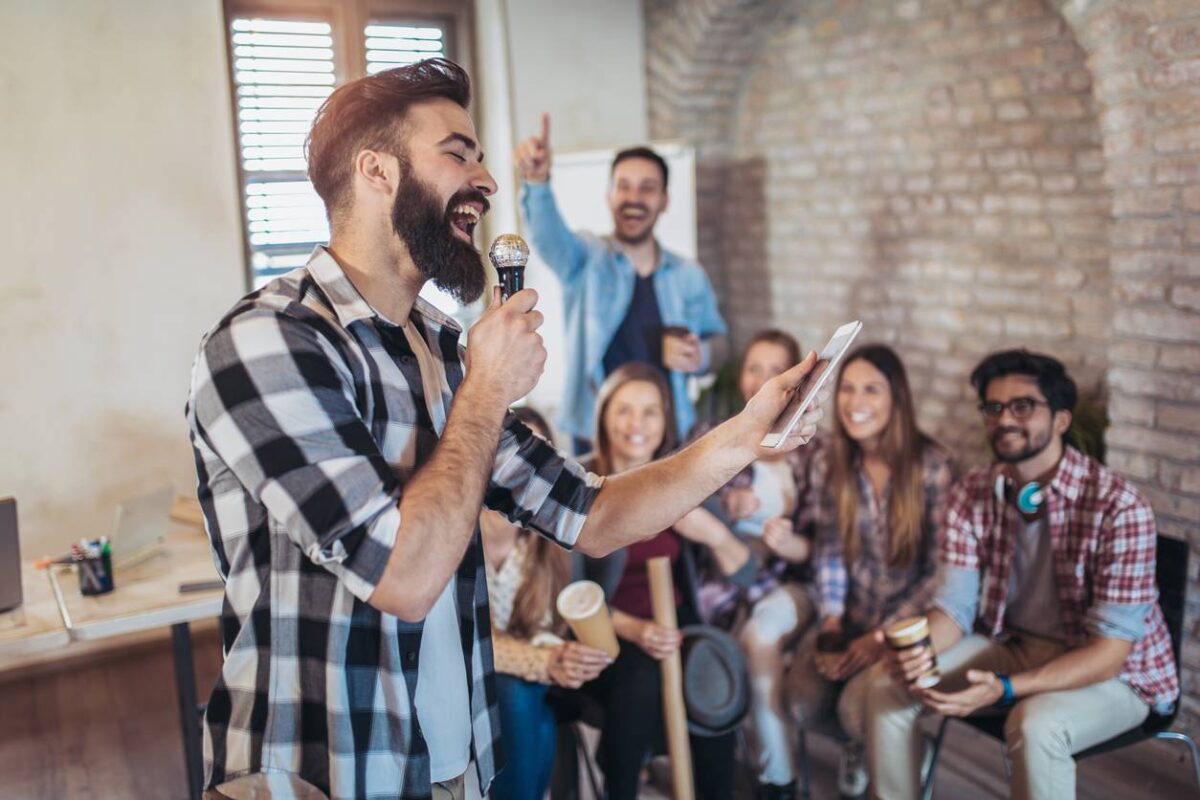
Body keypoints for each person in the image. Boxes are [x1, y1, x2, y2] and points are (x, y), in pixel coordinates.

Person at [186, 58, 823, 800]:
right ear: (376, 170)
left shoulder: (441, 350)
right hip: (323, 771)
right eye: (458, 154)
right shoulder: (268, 343)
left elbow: (595, 515)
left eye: (481, 159)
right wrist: (488, 387)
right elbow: (403, 577)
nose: (486, 182)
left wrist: (744, 436)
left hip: (454, 763)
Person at [867, 349, 1180, 800]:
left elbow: (1109, 654)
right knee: (887, 684)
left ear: (1061, 420)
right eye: (993, 407)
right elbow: (954, 609)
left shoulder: (1119, 507)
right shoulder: (972, 493)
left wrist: (1005, 689)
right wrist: (919, 654)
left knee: (1035, 725)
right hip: (1015, 645)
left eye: (1023, 406)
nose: (1005, 419)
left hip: (1118, 674)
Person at [569, 363, 755, 800]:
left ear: (665, 421)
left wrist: (712, 533)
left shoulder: (680, 481)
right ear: (603, 416)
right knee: (641, 682)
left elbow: (747, 572)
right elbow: (566, 593)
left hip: (674, 623)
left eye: (650, 412)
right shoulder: (576, 483)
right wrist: (634, 628)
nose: (637, 424)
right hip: (605, 632)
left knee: (709, 679)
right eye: (624, 410)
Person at [788, 345, 956, 799]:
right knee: (801, 702)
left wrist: (880, 638)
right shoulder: (831, 462)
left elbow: (940, 574)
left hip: (907, 626)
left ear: (896, 399)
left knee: (855, 709)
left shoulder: (934, 468)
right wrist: (831, 623)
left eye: (871, 390)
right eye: (847, 389)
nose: (855, 402)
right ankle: (864, 748)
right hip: (852, 614)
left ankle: (899, 748)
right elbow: (829, 551)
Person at [514, 114, 729, 451]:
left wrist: (700, 355)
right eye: (624, 186)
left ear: (664, 200)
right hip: (596, 436)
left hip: (668, 436)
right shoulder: (586, 260)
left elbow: (720, 342)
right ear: (609, 195)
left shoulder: (688, 274)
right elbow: (547, 237)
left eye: (647, 188)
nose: (634, 197)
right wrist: (537, 182)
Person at [687, 330, 825, 800]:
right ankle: (715, 763)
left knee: (759, 635)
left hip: (789, 583)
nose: (762, 381)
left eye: (775, 370)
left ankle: (777, 779)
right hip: (724, 579)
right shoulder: (714, 433)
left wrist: (788, 544)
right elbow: (678, 500)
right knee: (711, 645)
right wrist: (726, 505)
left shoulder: (812, 450)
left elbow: (822, 551)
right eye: (754, 368)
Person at [481, 407, 611, 800]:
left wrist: (564, 658)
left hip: (534, 677)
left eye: (535, 457)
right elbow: (463, 637)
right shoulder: (457, 535)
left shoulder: (553, 542)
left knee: (524, 702)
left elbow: (551, 628)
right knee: (517, 699)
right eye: (509, 454)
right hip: (468, 674)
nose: (521, 471)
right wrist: (543, 661)